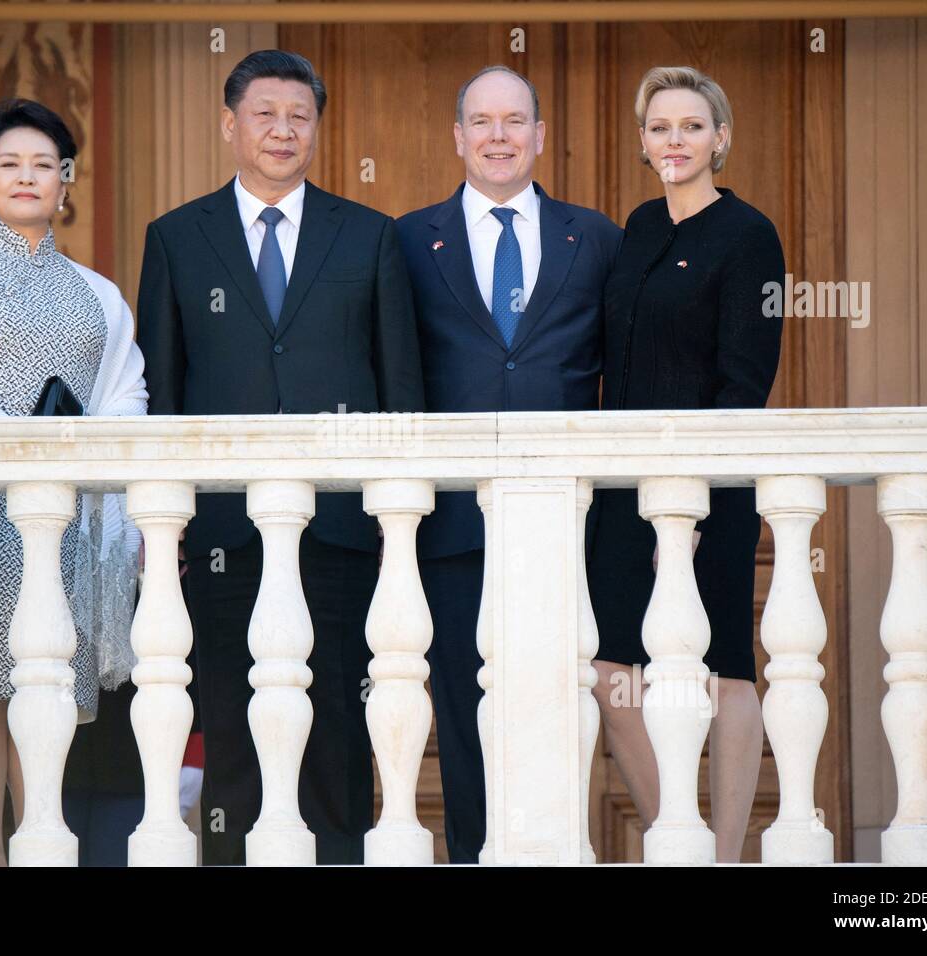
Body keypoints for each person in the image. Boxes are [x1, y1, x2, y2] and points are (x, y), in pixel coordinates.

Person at [136, 49, 424, 865]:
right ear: (230, 125)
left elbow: (401, 392)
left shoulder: (369, 236)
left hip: (339, 530)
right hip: (224, 532)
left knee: (335, 722)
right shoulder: (177, 238)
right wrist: (171, 534)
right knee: (230, 722)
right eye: (264, 113)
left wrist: (391, 525)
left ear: (317, 130)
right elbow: (162, 395)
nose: (282, 130)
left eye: (299, 116)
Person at [0, 98, 148, 866]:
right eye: (9, 164)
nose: (26, 176)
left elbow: (127, 394)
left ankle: (41, 838)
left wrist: (72, 452)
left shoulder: (99, 293)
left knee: (44, 688)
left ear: (65, 183)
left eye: (43, 165)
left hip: (69, 516)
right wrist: (19, 451)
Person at [395, 65, 621, 863]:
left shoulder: (593, 237)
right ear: (458, 136)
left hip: (566, 521)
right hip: (451, 524)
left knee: (560, 703)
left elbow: (617, 378)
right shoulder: (408, 240)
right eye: (482, 122)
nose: (499, 136)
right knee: (462, 706)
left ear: (539, 136)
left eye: (515, 121)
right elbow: (397, 376)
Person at [587, 66, 785, 862]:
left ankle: (728, 853)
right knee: (612, 668)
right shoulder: (635, 228)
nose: (676, 140)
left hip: (713, 486)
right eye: (662, 127)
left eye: (693, 126)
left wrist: (698, 499)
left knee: (726, 665)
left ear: (721, 139)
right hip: (625, 490)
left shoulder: (749, 236)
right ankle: (678, 837)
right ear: (643, 142)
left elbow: (747, 381)